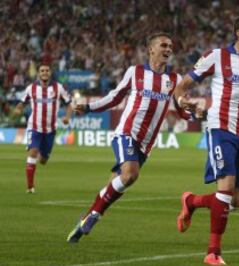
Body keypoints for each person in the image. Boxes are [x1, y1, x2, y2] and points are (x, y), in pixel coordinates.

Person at [67, 32, 191, 243]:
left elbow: (182, 113)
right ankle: (96, 215)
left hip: (146, 144)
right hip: (126, 133)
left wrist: (192, 110)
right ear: (151, 49)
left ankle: (87, 216)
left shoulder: (175, 80)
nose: (168, 49)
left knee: (119, 182)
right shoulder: (135, 72)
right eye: (163, 45)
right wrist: (89, 107)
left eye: (170, 46)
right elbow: (115, 97)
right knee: (130, 174)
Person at [173, 10, 239, 266]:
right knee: (225, 191)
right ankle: (213, 252)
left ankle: (191, 201)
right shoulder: (216, 57)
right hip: (221, 129)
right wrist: (185, 103)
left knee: (235, 202)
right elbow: (181, 86)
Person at [13, 62, 72, 193]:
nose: (45, 73)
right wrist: (18, 109)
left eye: (47, 70)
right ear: (39, 74)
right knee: (33, 151)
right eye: (42, 71)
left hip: (50, 130)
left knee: (43, 160)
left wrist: (67, 117)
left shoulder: (59, 88)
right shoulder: (31, 88)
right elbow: (21, 103)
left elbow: (69, 104)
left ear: (50, 73)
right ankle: (30, 187)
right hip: (34, 127)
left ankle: (42, 153)